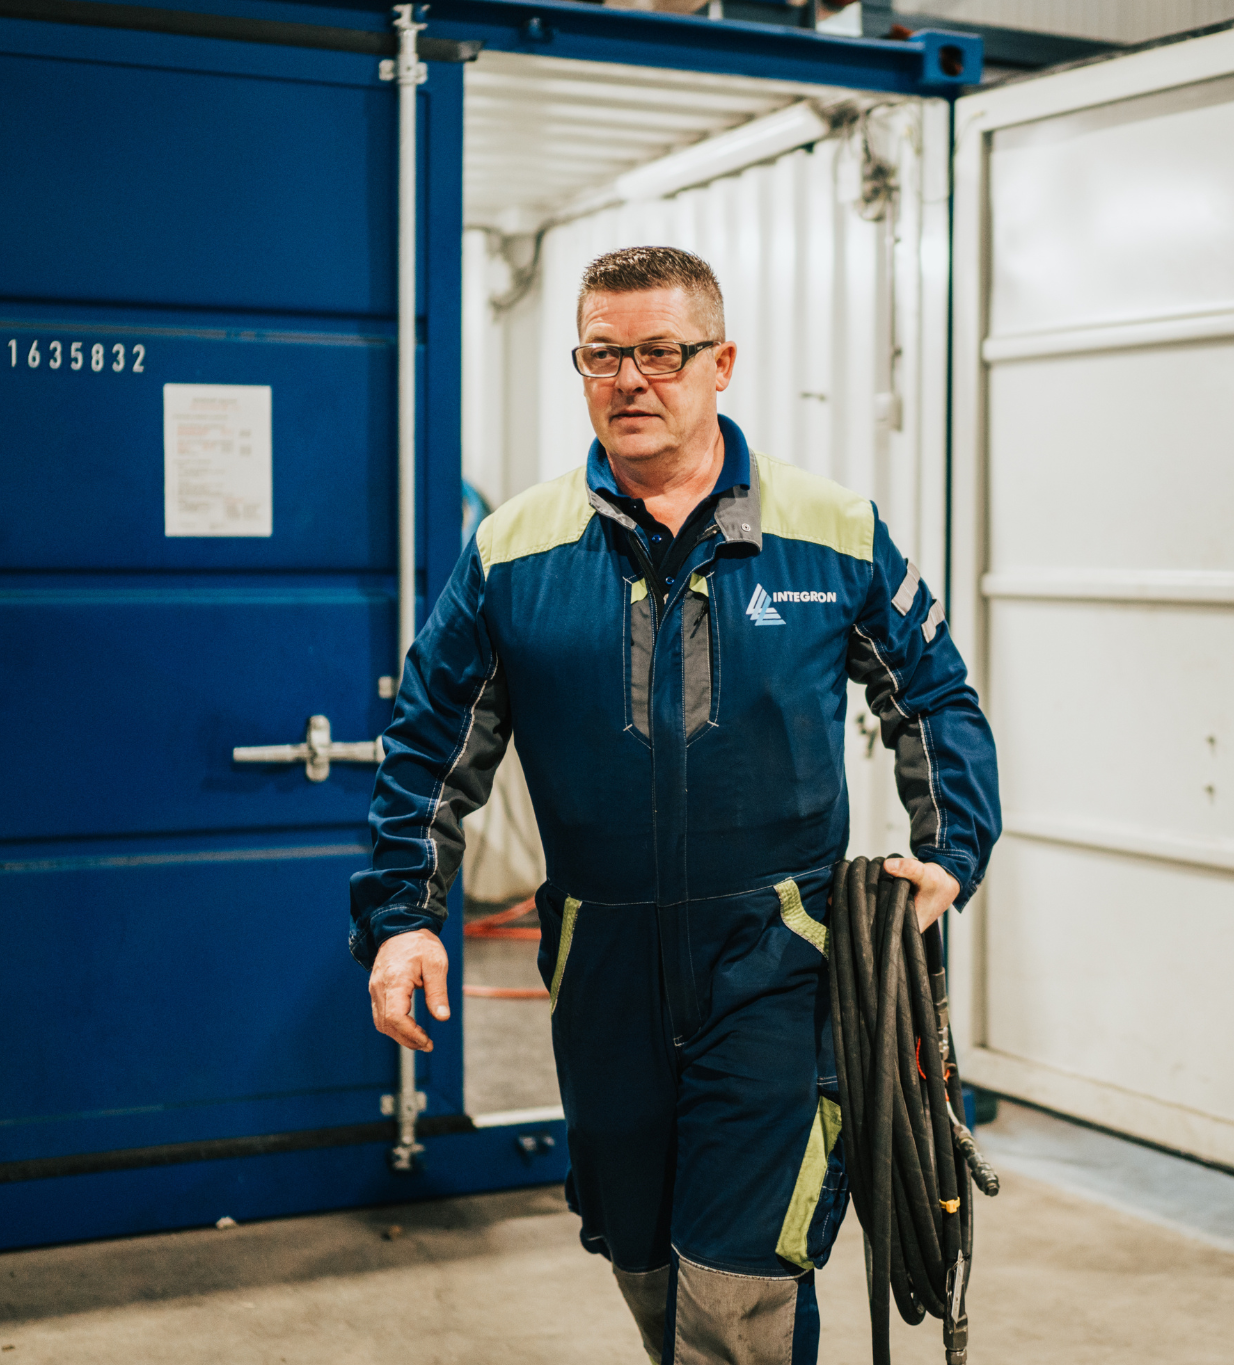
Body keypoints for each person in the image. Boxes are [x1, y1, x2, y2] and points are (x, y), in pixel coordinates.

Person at [349, 246, 999, 1364]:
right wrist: (403, 916)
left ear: (720, 362)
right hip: (599, 961)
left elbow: (933, 695)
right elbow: (428, 742)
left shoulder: (830, 531)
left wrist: (949, 849)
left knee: (741, 1279)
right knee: (643, 1257)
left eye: (660, 352)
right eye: (602, 355)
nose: (629, 380)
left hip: (778, 957)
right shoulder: (513, 550)